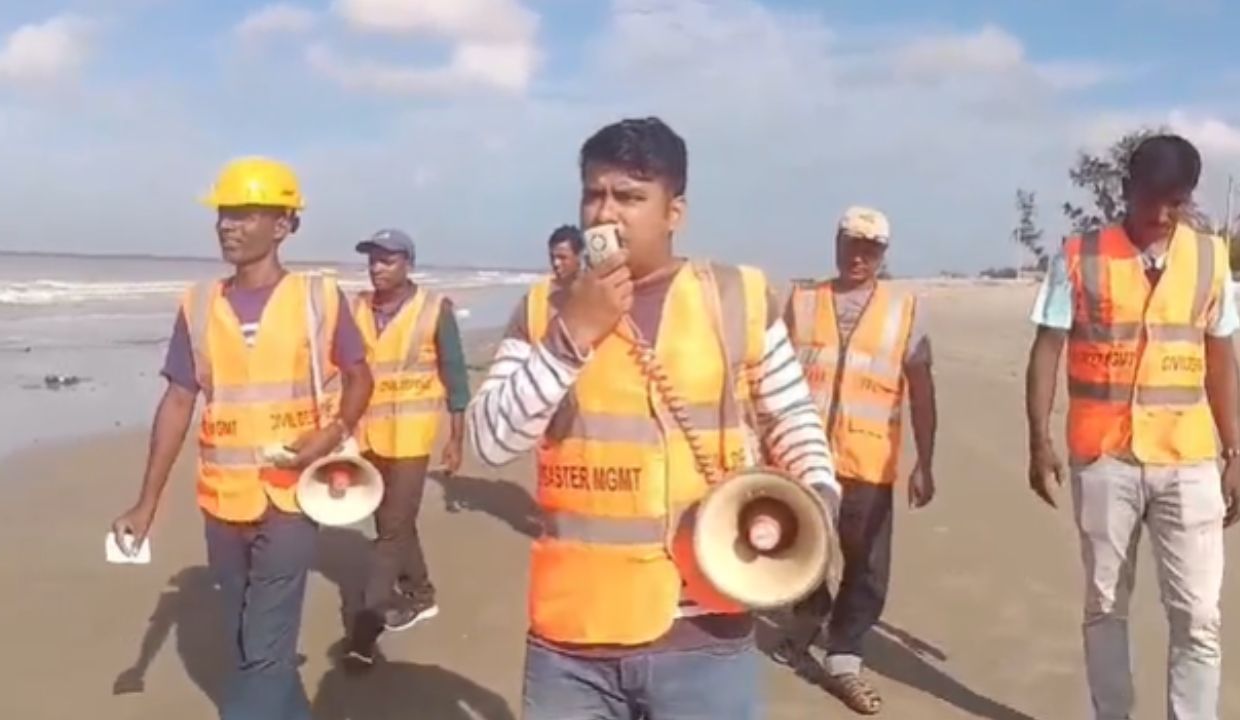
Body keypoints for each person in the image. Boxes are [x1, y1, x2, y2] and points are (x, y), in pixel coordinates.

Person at [468, 116, 840, 720]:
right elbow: (489, 441)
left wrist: (817, 503)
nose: (605, 214)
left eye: (631, 197)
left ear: (675, 212)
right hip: (573, 638)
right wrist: (572, 338)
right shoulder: (544, 309)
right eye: (595, 193)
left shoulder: (736, 297)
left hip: (706, 631)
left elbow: (791, 417)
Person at [110, 156, 373, 720]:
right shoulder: (199, 304)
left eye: (246, 214)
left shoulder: (319, 299)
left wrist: (330, 434)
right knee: (243, 640)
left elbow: (359, 378)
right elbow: (179, 400)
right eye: (225, 214)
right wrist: (146, 503)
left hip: (289, 499)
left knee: (265, 653)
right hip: (222, 500)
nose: (228, 225)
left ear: (283, 225)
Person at [1025, 133, 1240, 720]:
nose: (1165, 213)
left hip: (1188, 457)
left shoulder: (1211, 257)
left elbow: (1222, 356)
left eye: (1178, 201)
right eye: (1155, 198)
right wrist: (1038, 439)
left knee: (1198, 614)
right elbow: (1047, 347)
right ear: (1127, 189)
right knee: (1104, 605)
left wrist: (1235, 449)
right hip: (1104, 459)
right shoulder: (1080, 255)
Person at [780, 205, 937, 714]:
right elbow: (771, 377)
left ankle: (843, 651)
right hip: (805, 457)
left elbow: (922, 388)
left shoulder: (903, 310)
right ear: (837, 242)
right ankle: (811, 610)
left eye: (871, 249)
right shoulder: (802, 303)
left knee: (867, 567)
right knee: (796, 549)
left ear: (883, 254)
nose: (859, 256)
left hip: (868, 459)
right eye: (852, 244)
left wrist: (925, 461)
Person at [341, 228, 470, 670]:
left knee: (391, 530)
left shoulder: (433, 310)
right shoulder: (355, 308)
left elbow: (455, 374)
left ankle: (364, 629)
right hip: (370, 435)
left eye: (388, 260)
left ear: (407, 263)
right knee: (392, 518)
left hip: (414, 437)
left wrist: (457, 437)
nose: (378, 268)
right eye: (373, 260)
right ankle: (420, 593)